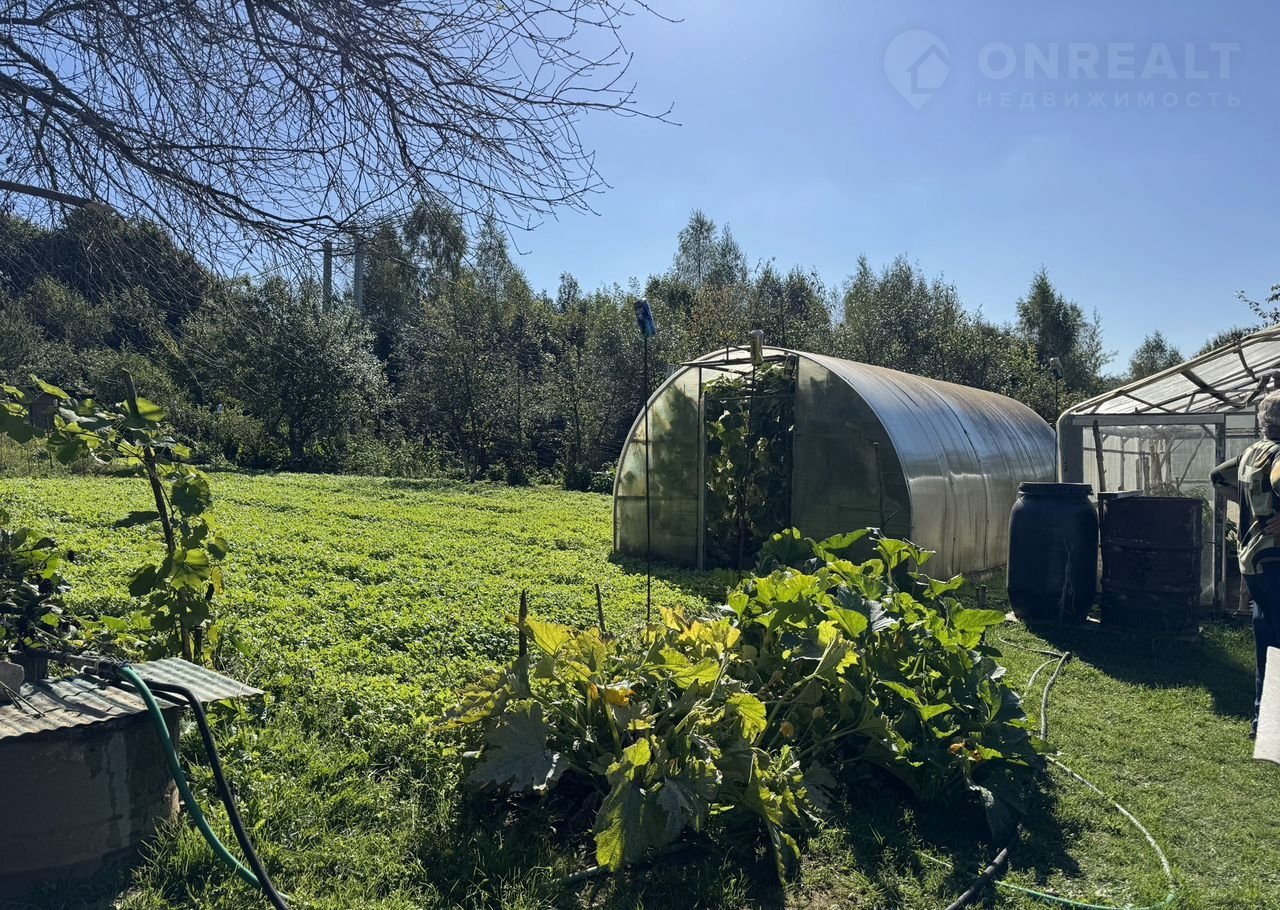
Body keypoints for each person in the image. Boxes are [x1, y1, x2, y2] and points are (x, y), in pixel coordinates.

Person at [1212, 390, 1280, 739]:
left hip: (1253, 561)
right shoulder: (1278, 455)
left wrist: (1249, 505)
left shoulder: (1252, 453)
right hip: (1276, 559)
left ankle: (1263, 724)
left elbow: (1217, 476)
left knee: (1267, 643)